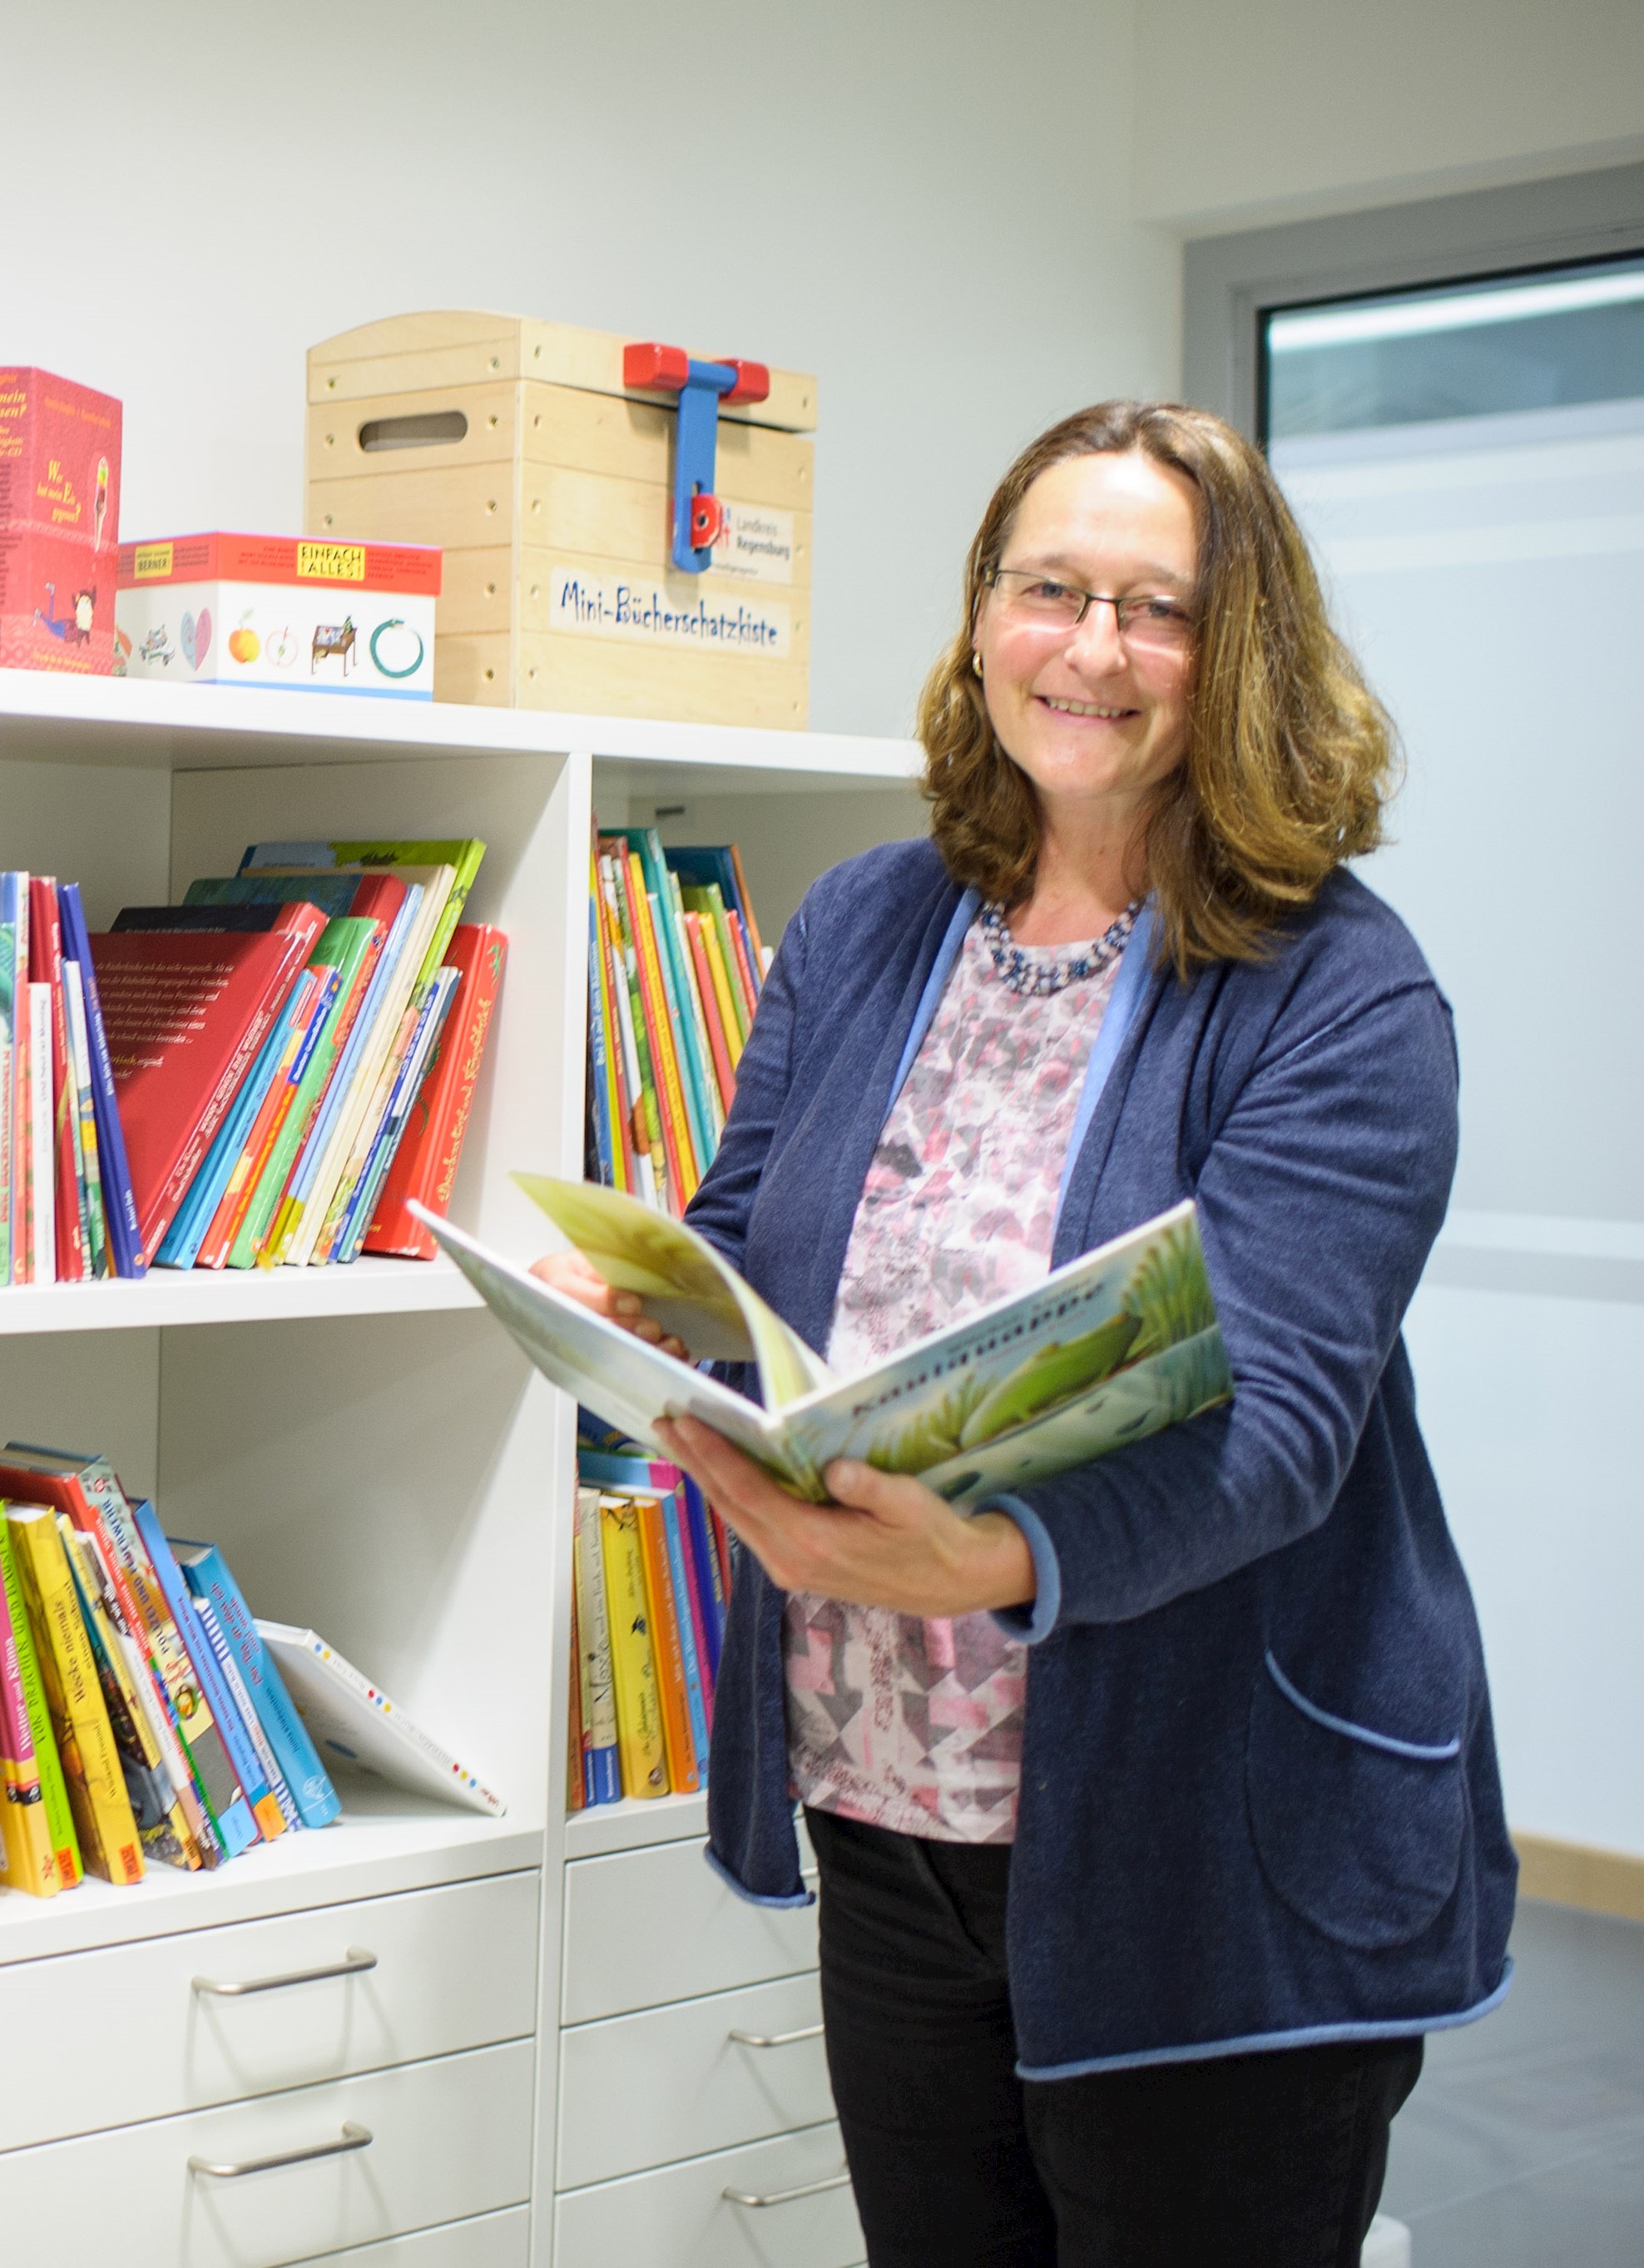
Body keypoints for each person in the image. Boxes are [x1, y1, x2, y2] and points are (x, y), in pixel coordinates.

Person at [536, 399, 1511, 2268]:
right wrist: (642, 1309)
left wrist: (977, 1558)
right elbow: (751, 1247)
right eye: (1048, 587)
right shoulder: (865, 922)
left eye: (1156, 609)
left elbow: (1278, 1431)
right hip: (887, 1801)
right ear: (981, 610)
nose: (1088, 646)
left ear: (1239, 658)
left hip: (1205, 1845)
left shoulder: (1340, 988)